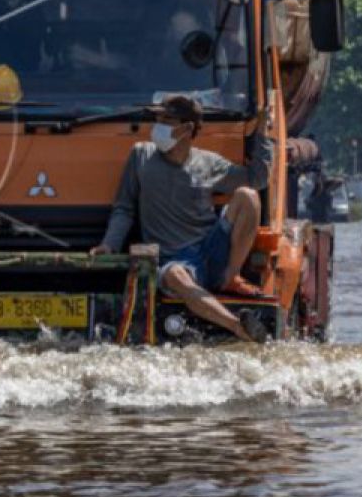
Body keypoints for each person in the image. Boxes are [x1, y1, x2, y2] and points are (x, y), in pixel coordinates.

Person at [90, 94, 272, 343]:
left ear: (187, 128)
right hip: (174, 261)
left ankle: (230, 277)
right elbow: (124, 208)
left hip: (210, 248)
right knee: (175, 275)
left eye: (167, 120)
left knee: (248, 196)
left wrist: (262, 133)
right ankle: (238, 327)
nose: (158, 126)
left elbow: (258, 179)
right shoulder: (141, 156)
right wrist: (109, 244)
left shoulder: (208, 162)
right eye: (158, 119)